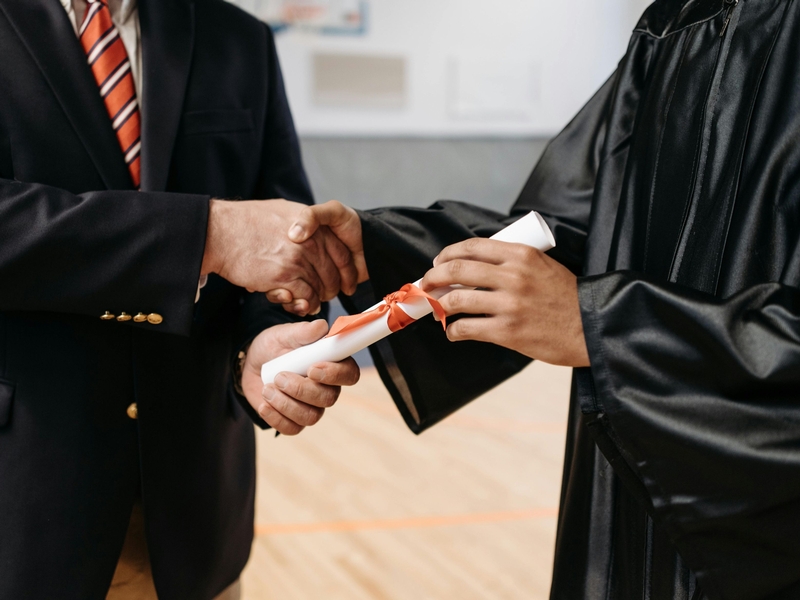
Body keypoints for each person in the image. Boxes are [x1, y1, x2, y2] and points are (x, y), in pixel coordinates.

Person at [286, 0, 800, 598]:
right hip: (635, 475)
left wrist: (605, 327)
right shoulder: (679, 21)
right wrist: (375, 246)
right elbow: (564, 230)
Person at [0, 0, 363, 598]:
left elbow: (282, 239)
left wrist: (263, 342)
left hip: (193, 517)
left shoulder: (239, 37)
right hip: (24, 504)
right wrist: (207, 234)